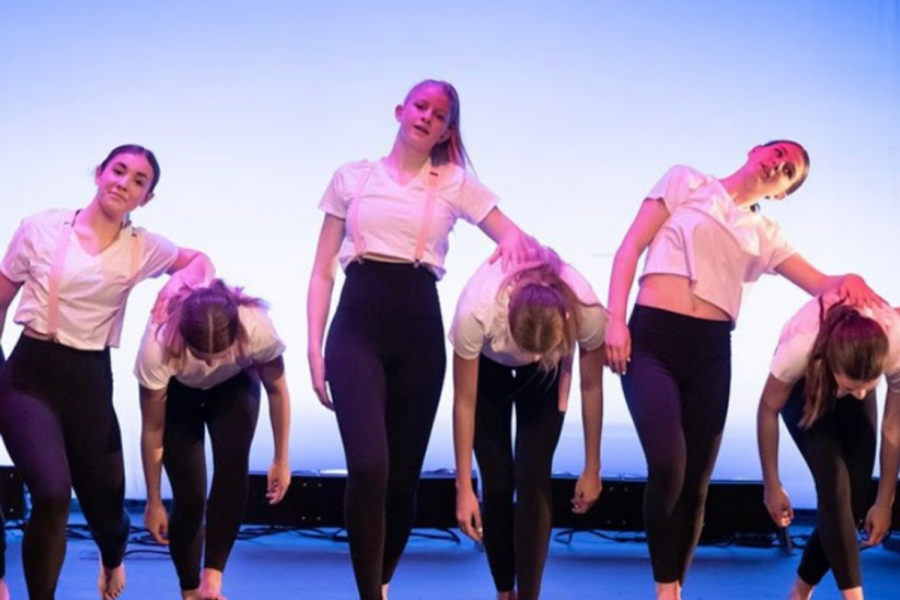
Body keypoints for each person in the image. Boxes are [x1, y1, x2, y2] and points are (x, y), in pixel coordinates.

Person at [604, 140, 879, 600]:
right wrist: (616, 318)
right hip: (653, 338)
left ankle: (674, 589)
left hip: (710, 351)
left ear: (783, 192)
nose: (778, 164)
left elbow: (820, 283)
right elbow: (630, 247)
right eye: (778, 153)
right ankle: (663, 590)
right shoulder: (685, 181)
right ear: (756, 151)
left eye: (788, 170)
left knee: (695, 489)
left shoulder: (764, 232)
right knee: (669, 462)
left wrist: (848, 279)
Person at [307, 79, 536, 600]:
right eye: (421, 106)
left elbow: (515, 239)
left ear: (446, 130)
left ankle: (383, 580)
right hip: (357, 321)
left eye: (440, 114)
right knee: (368, 466)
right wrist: (313, 348)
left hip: (418, 327)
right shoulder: (352, 177)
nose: (428, 117)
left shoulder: (452, 182)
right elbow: (322, 270)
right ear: (400, 110)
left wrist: (510, 285)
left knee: (402, 478)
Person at [0, 145, 214, 600]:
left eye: (139, 180)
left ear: (145, 198)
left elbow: (200, 261)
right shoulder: (40, 228)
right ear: (99, 173)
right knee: (53, 493)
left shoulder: (142, 247)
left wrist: (178, 282)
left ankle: (112, 556)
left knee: (106, 508)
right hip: (29, 375)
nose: (124, 183)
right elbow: (1, 299)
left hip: (90, 380)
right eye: (118, 171)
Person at [450, 249, 606, 600]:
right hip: (489, 376)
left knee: (533, 476)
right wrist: (463, 487)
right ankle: (505, 591)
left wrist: (592, 466)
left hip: (546, 379)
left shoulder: (585, 308)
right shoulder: (477, 309)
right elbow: (464, 401)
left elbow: (591, 386)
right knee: (498, 481)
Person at [136, 279, 291, 600]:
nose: (208, 364)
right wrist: (153, 500)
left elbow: (277, 390)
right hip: (180, 395)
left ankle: (212, 583)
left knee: (232, 468)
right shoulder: (158, 346)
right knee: (190, 493)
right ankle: (190, 590)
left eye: (218, 354)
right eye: (200, 355)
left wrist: (280, 459)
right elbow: (152, 430)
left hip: (234, 387)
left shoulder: (256, 328)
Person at [758, 293, 900, 600]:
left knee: (855, 502)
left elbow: (893, 427)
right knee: (833, 481)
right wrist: (772, 483)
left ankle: (799, 592)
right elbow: (767, 409)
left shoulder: (895, 343)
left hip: (855, 362)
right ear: (832, 365)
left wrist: (885, 501)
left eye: (870, 386)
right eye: (852, 388)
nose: (862, 396)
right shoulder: (800, 349)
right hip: (804, 384)